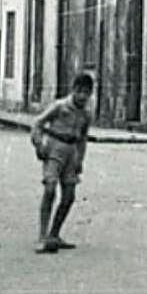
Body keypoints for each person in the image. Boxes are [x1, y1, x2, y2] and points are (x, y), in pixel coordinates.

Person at [30, 72, 94, 254]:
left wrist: (80, 160)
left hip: (71, 152)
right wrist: (38, 144)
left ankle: (54, 234)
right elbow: (38, 123)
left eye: (87, 93)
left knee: (69, 196)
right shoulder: (60, 107)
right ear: (73, 90)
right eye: (79, 91)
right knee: (50, 189)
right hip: (54, 149)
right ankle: (42, 236)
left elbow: (83, 139)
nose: (82, 96)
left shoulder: (86, 115)